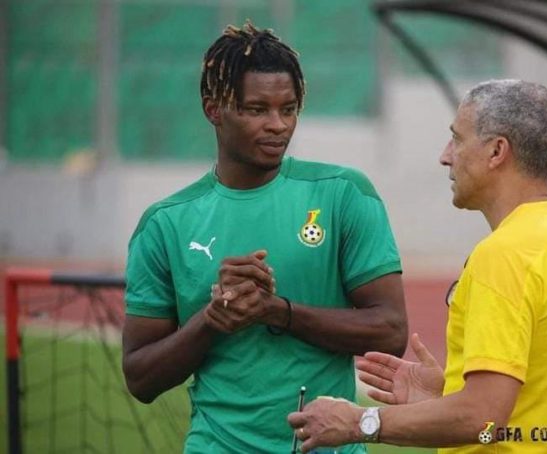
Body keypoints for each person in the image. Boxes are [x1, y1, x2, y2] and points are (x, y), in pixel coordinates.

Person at [121, 21, 407, 453]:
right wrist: (213, 319)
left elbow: (390, 330)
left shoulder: (343, 194)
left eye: (288, 109)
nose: (278, 125)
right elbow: (140, 377)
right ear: (213, 109)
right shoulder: (166, 223)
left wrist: (279, 312)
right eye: (257, 110)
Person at [288, 79, 547, 453]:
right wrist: (448, 393)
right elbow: (523, 409)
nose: (445, 155)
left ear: (496, 151)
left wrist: (360, 421)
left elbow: (482, 418)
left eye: (457, 139)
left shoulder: (504, 255)